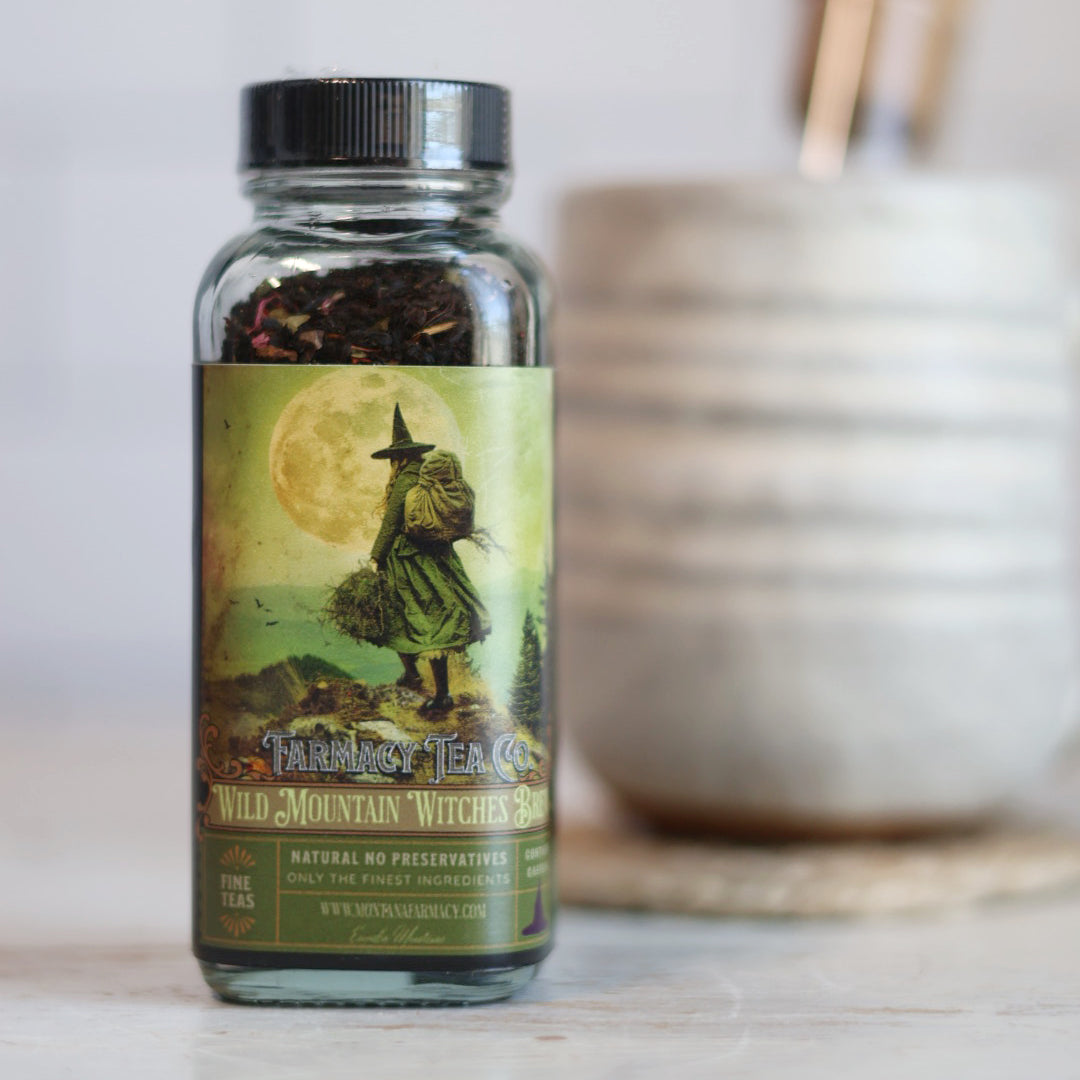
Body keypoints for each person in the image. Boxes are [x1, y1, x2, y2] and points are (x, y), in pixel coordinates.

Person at [369, 404, 491, 711]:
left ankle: (441, 694)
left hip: (409, 563)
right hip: (441, 559)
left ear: (399, 457)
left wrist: (376, 556)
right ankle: (417, 678)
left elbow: (391, 522)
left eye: (393, 457)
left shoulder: (405, 480)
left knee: (414, 621)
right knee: (431, 620)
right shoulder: (430, 478)